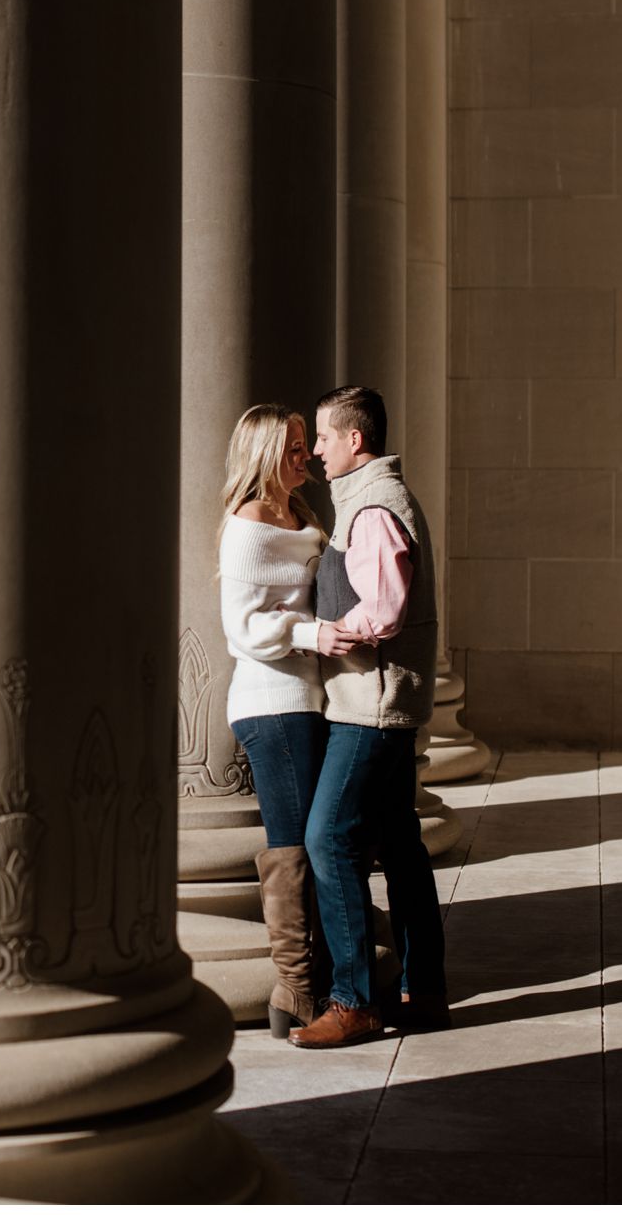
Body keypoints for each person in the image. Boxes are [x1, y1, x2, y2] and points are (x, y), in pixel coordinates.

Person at [289, 385, 449, 1049]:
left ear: (356, 440)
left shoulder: (375, 508)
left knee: (329, 839)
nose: (318, 450)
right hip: (379, 702)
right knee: (401, 845)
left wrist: (318, 632)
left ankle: (354, 1000)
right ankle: (420, 986)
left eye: (324, 437)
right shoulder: (370, 500)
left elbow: (383, 612)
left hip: (371, 709)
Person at [216, 403, 361, 1038]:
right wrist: (313, 631)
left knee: (313, 840)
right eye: (294, 446)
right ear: (266, 454)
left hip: (309, 699)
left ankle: (319, 977)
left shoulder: (300, 514)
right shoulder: (245, 528)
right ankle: (297, 988)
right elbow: (242, 629)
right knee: (293, 846)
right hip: (271, 704)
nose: (305, 455)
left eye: (308, 443)